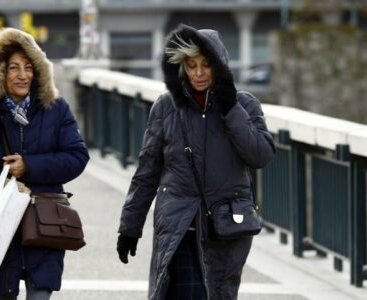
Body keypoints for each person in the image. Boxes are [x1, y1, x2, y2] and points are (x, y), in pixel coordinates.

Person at [116, 24, 275, 300]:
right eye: (191, 66)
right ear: (182, 67)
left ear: (220, 65)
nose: (199, 73)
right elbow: (147, 172)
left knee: (219, 293)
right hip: (178, 228)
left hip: (224, 229)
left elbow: (260, 155)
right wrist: (130, 227)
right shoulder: (166, 107)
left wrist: (229, 109)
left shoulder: (244, 105)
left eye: (206, 65)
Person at [0, 27, 89, 299]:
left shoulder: (56, 107)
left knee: (40, 293)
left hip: (44, 217)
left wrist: (29, 165)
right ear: (0, 71)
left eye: (28, 67)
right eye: (14, 68)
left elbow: (77, 157)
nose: (23, 75)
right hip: (1, 219)